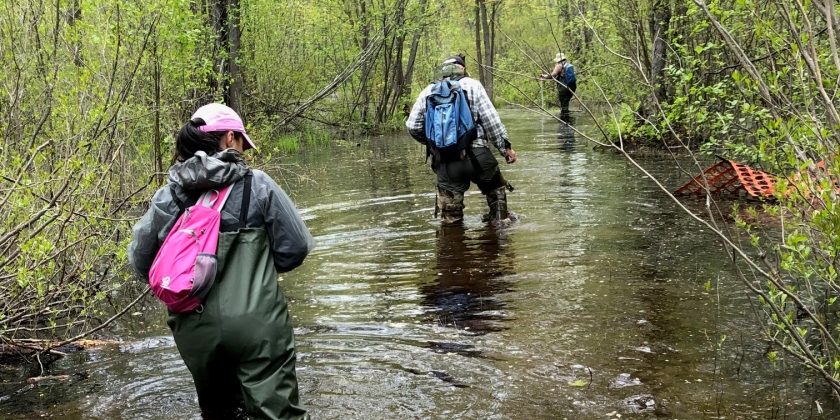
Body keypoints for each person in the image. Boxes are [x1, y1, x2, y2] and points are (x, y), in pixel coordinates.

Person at [128, 103, 314, 420]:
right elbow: (296, 247)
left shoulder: (166, 197)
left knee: (222, 414)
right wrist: (258, 271)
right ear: (230, 138)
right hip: (256, 323)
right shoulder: (258, 185)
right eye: (242, 142)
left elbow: (140, 262)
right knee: (277, 414)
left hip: (195, 329)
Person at [406, 54, 517, 225]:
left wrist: (434, 143)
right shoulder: (473, 85)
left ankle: (454, 247)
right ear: (462, 68)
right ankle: (500, 239)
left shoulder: (428, 91)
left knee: (450, 220)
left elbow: (412, 126)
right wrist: (505, 149)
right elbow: (491, 121)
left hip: (445, 163)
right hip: (478, 158)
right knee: (496, 190)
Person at [541, 52, 577, 116]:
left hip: (564, 88)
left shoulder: (559, 66)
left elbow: (553, 75)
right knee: (566, 102)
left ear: (558, 60)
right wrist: (546, 76)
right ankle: (569, 120)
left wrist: (545, 77)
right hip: (572, 87)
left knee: (564, 106)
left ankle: (564, 122)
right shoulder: (568, 65)